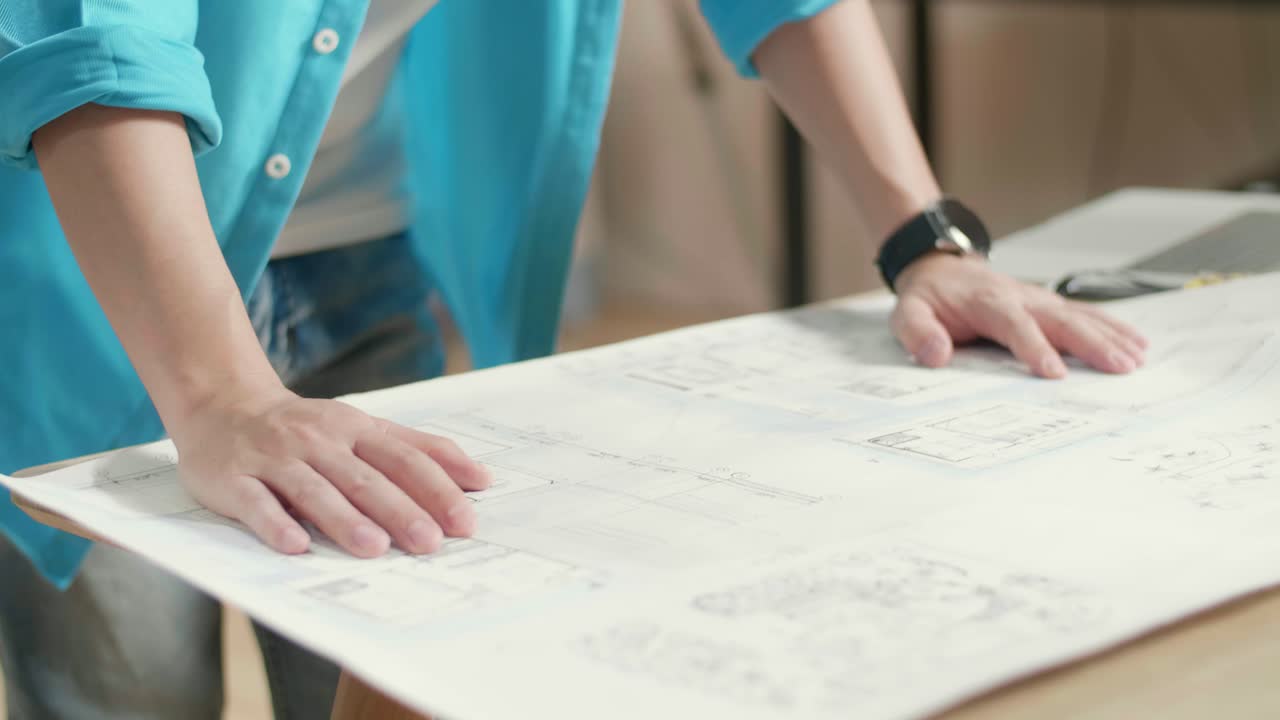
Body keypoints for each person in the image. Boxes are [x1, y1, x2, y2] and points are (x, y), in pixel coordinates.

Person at [0, 0, 1148, 717]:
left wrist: (923, 241)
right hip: (93, 271)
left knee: (389, 670)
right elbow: (92, 42)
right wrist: (218, 390)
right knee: (130, 691)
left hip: (363, 253)